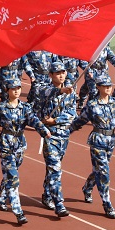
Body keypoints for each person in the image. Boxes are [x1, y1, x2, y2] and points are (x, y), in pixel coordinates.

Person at [0, 78, 50, 225]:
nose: (17, 91)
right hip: (6, 144)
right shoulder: (1, 108)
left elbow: (34, 120)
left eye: (18, 88)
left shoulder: (25, 107)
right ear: (7, 91)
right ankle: (18, 211)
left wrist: (44, 131)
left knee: (10, 173)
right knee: (13, 177)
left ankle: (1, 197)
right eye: (13, 89)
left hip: (19, 144)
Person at [71, 75, 115, 219]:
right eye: (105, 86)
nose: (108, 88)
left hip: (110, 140)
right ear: (98, 87)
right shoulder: (92, 105)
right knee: (104, 171)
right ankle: (107, 203)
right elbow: (81, 120)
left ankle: (87, 187)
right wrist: (66, 131)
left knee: (98, 170)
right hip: (97, 140)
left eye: (109, 86)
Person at [35, 61, 77, 218]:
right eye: (57, 73)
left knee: (52, 168)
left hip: (63, 135)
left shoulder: (71, 91)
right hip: (50, 135)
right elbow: (44, 94)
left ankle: (47, 195)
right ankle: (59, 204)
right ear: (51, 75)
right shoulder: (43, 88)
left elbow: (72, 113)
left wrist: (56, 120)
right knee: (55, 169)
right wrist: (60, 91)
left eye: (63, 72)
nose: (61, 75)